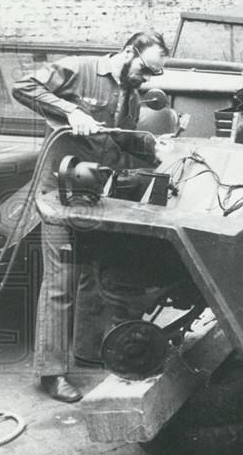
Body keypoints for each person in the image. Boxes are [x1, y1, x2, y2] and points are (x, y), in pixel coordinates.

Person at [13, 31, 170, 402]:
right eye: (145, 70)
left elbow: (122, 138)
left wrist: (156, 148)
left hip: (93, 196)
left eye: (153, 76)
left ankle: (87, 350)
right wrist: (70, 110)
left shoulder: (130, 94)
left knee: (93, 275)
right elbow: (22, 86)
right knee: (61, 280)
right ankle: (51, 374)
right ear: (129, 53)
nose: (145, 80)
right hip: (57, 194)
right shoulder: (79, 68)